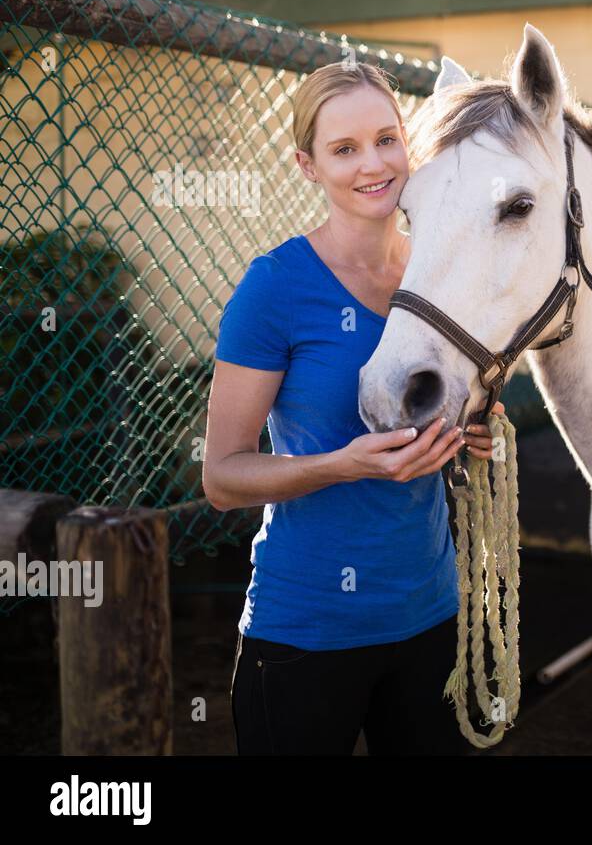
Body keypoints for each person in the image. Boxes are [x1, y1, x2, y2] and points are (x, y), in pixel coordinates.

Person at [202, 61, 504, 755]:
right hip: (306, 633)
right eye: (344, 149)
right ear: (309, 166)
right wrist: (343, 466)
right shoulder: (275, 288)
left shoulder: (438, 271)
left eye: (386, 139)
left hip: (431, 620)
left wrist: (468, 434)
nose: (374, 165)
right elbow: (221, 477)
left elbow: (450, 400)